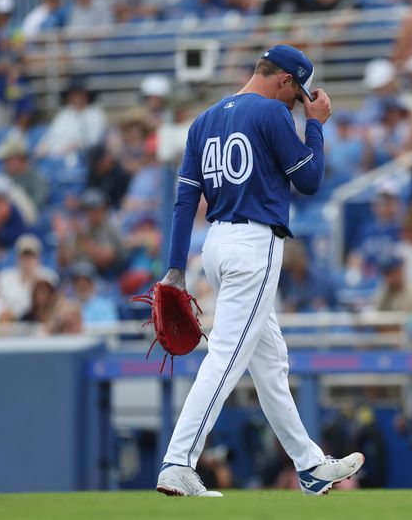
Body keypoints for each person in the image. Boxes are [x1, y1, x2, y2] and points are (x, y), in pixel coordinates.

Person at [154, 45, 363, 497]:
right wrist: (316, 127)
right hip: (254, 244)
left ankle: (308, 465)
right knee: (228, 355)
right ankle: (178, 460)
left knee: (270, 363)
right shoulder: (271, 113)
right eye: (296, 94)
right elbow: (308, 181)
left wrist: (174, 268)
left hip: (215, 245)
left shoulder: (204, 120)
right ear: (285, 80)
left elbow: (185, 200)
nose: (297, 102)